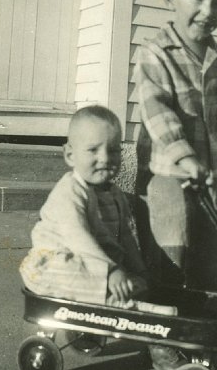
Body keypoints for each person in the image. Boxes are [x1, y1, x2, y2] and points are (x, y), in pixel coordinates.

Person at [134, 0, 217, 370]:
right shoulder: (155, 52)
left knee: (207, 258)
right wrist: (183, 155)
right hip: (166, 178)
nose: (207, 10)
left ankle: (199, 333)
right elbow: (156, 109)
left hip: (210, 180)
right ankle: (162, 337)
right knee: (170, 254)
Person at [20, 105, 148, 308]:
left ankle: (116, 295)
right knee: (76, 271)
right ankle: (117, 302)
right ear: (70, 155)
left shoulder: (116, 194)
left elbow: (125, 236)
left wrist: (139, 269)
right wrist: (110, 270)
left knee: (131, 278)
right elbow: (78, 236)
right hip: (59, 261)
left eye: (114, 150)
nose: (105, 158)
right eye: (93, 150)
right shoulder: (70, 190)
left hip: (92, 260)